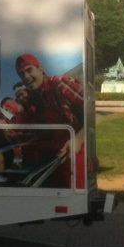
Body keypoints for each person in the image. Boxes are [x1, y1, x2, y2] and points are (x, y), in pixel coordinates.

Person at [13, 54, 85, 188]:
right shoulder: (35, 98)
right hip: (54, 162)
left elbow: (94, 113)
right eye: (22, 74)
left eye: (29, 70)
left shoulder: (60, 84)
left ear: (40, 69)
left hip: (75, 159)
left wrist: (78, 139)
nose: (26, 77)